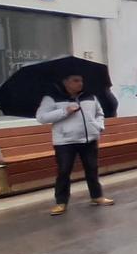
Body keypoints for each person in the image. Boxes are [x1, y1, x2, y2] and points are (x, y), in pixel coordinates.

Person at [37, 74, 114, 216]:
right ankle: (61, 202)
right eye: (76, 81)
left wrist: (98, 126)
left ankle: (96, 196)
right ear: (66, 82)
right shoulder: (52, 97)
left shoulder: (90, 96)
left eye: (81, 80)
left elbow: (99, 113)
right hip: (65, 142)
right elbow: (41, 117)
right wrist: (64, 111)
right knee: (64, 171)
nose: (80, 83)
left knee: (92, 169)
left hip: (89, 139)